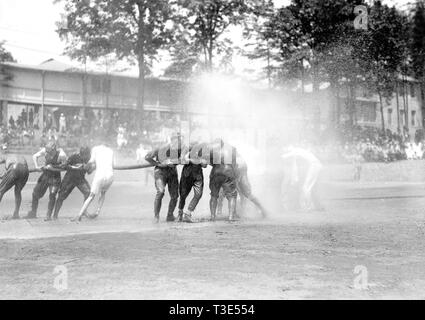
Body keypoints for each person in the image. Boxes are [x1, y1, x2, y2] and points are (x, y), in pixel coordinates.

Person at [145, 134, 182, 223]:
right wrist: (158, 164)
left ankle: (170, 215)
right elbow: (147, 157)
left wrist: (173, 162)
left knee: (175, 196)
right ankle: (156, 216)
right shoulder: (160, 148)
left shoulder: (180, 149)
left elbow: (181, 160)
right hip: (160, 172)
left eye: (179, 141)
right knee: (160, 192)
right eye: (176, 141)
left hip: (172, 173)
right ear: (171, 141)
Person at [73, 142, 114, 222]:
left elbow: (91, 161)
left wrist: (86, 167)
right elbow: (113, 164)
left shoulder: (95, 148)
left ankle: (79, 215)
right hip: (110, 175)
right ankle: (97, 212)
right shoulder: (111, 151)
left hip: (100, 175)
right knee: (103, 193)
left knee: (91, 196)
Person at [26, 141, 67, 220]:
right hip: (45, 175)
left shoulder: (62, 155)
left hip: (55, 177)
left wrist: (53, 168)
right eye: (47, 151)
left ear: (54, 149)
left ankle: (48, 215)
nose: (47, 153)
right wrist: (36, 166)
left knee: (52, 195)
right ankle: (33, 212)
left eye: (49, 152)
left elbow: (64, 167)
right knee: (35, 194)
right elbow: (35, 156)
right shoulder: (45, 150)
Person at [51, 146, 93, 220]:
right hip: (69, 179)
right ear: (81, 154)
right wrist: (75, 167)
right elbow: (64, 165)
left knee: (88, 193)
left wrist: (91, 167)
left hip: (80, 179)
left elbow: (89, 172)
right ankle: (55, 215)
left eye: (87, 155)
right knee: (61, 196)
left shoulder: (89, 159)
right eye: (84, 155)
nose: (85, 157)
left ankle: (84, 211)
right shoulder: (74, 156)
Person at [281, 146, 324, 212]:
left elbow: (286, 156)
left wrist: (281, 156)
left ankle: (309, 207)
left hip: (314, 165)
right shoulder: (301, 151)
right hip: (317, 165)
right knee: (309, 188)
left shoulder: (296, 150)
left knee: (306, 188)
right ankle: (313, 206)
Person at [177, 143, 207, 223]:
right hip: (187, 175)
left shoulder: (202, 151)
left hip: (198, 175)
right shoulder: (186, 149)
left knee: (198, 194)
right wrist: (195, 160)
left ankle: (188, 214)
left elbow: (204, 165)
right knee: (183, 195)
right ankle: (180, 213)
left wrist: (195, 160)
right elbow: (182, 161)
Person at [0, 154, 29, 219]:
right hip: (25, 170)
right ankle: (16, 214)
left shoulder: (6, 158)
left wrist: (3, 176)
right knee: (17, 192)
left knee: (1, 190)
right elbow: (20, 169)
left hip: (14, 168)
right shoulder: (18, 157)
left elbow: (13, 169)